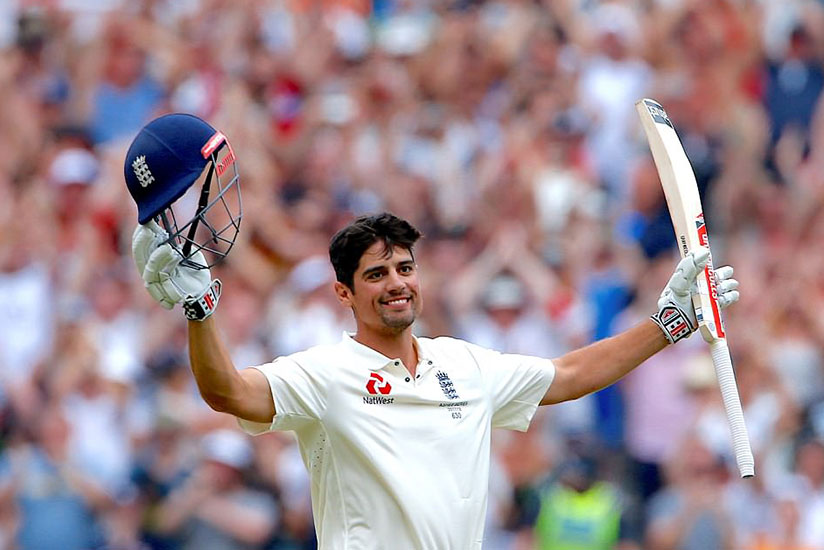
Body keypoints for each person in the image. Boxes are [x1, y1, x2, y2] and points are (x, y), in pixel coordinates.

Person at [126, 116, 740, 549]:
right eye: (376, 274)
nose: (396, 283)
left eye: (405, 268)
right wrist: (201, 311)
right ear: (345, 293)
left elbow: (572, 375)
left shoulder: (465, 366)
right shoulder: (321, 374)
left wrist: (671, 324)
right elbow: (227, 392)